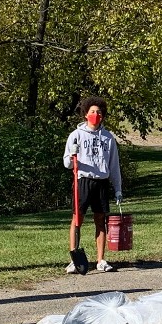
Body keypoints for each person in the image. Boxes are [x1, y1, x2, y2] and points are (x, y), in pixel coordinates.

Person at [63, 96, 123, 273]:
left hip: (101, 182)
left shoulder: (108, 138)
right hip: (83, 181)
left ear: (102, 115)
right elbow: (67, 163)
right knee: (77, 219)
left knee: (100, 220)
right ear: (85, 114)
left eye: (99, 112)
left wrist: (118, 189)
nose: (96, 115)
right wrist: (72, 155)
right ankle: (74, 259)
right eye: (92, 112)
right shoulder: (76, 135)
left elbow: (114, 165)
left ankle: (101, 260)